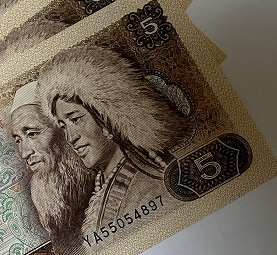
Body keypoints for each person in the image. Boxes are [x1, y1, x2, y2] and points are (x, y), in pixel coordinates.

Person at [36, 45, 190, 244]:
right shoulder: (103, 183)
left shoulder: (148, 188)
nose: (70, 138)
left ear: (107, 118)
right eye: (63, 126)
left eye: (76, 119)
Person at [10, 80, 96, 255]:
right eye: (18, 140)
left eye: (32, 134)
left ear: (62, 131)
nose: (24, 152)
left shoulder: (104, 186)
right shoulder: (53, 210)